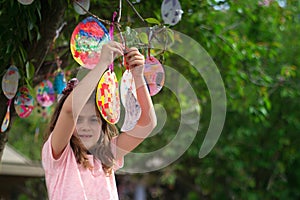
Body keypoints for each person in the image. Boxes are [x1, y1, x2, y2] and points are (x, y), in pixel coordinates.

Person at [42, 41, 157, 200]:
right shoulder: (59, 155)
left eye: (94, 120)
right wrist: (102, 64)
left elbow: (148, 124)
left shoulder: (106, 156)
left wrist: (137, 75)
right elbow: (70, 110)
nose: (86, 127)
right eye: (79, 120)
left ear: (103, 124)